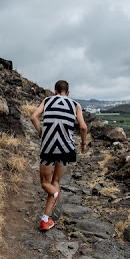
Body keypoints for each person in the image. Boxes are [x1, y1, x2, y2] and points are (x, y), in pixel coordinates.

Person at [30, 80, 88, 231]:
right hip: (66, 149)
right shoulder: (75, 105)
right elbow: (83, 126)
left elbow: (33, 117)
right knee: (56, 181)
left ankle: (51, 202)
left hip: (48, 147)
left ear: (55, 91)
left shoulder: (47, 100)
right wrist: (83, 143)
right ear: (67, 93)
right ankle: (45, 218)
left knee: (45, 183)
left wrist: (42, 134)